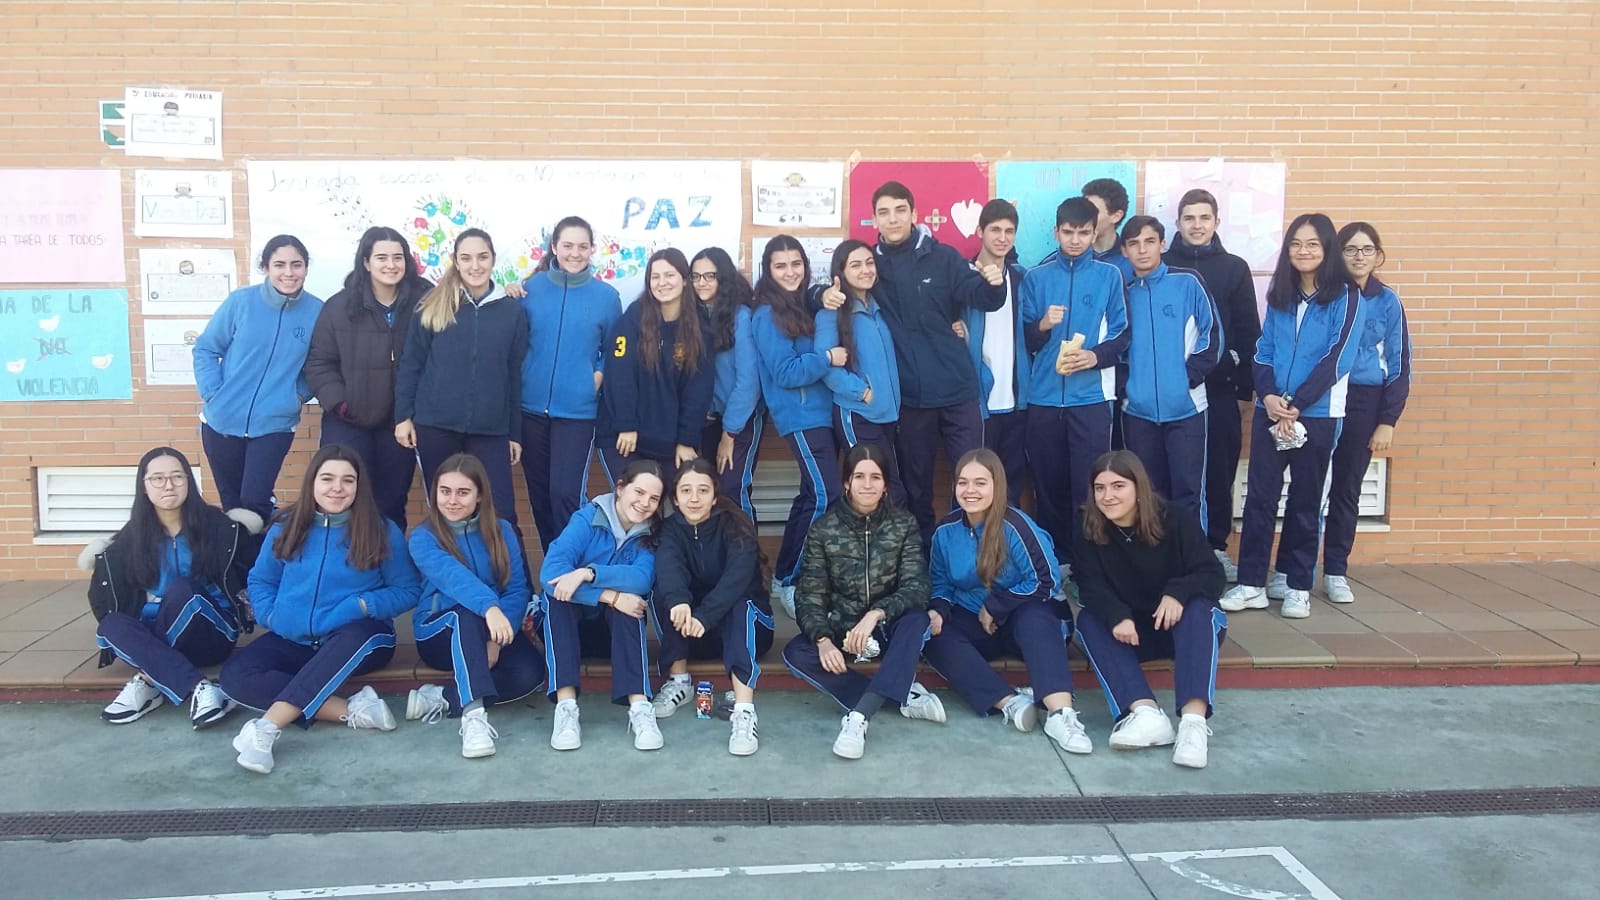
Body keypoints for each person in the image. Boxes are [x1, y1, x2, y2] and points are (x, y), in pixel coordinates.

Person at [221, 445, 421, 775]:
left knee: (356, 637)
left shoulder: (382, 529)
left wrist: (361, 605)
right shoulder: (285, 526)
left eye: (347, 480)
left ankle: (267, 728)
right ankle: (351, 710)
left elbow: (408, 589)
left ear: (359, 486)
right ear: (312, 482)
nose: (337, 488)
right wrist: (270, 615)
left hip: (360, 636)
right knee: (236, 676)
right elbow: (261, 579)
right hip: (294, 637)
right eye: (327, 478)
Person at [1221, 214, 1362, 619]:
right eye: (1296, 244)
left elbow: (1338, 358)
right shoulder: (1280, 295)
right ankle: (1252, 583)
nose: (1303, 251)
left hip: (1318, 414)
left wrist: (1297, 403)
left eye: (1313, 244)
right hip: (1271, 411)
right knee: (1259, 498)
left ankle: (1297, 585)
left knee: (1306, 500)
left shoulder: (1347, 296)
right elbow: (1263, 350)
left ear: (1327, 249)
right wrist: (1268, 396)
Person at [781, 443, 945, 760]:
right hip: (844, 633)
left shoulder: (903, 524)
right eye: (859, 476)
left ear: (886, 485)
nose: (867, 485)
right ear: (846, 482)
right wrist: (823, 639)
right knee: (796, 652)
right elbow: (809, 594)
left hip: (887, 630)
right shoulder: (824, 529)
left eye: (875, 477)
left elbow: (917, 586)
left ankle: (859, 716)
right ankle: (901, 694)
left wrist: (876, 614)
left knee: (917, 619)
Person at [868, 181, 1007, 546]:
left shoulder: (943, 257)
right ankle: (926, 557)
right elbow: (836, 283)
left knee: (974, 478)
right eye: (884, 212)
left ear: (914, 214)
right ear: (874, 220)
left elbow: (981, 296)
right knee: (917, 487)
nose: (893, 219)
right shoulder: (869, 265)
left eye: (900, 210)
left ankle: (973, 552)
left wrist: (994, 284)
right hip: (911, 399)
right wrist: (821, 294)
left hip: (958, 390)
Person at [81, 447, 262, 728]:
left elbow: (258, 574)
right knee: (111, 624)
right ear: (144, 486)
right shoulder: (128, 541)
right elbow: (102, 599)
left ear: (189, 481)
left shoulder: (221, 528)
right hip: (160, 630)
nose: (169, 485)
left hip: (210, 633)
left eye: (177, 476)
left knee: (182, 590)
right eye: (158, 478)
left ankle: (148, 679)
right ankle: (201, 688)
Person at [924, 449, 1090, 754]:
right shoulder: (945, 532)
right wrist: (939, 610)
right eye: (963, 482)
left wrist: (996, 605)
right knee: (932, 635)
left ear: (997, 485)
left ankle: (1061, 714)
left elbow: (1046, 581)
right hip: (976, 622)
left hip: (1028, 620)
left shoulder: (1015, 525)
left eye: (980, 483)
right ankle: (1010, 702)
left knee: (1034, 617)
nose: (970, 490)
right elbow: (941, 584)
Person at [1073, 450, 1228, 769]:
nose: (1108, 496)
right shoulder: (1087, 526)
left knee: (1199, 609)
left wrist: (1177, 593)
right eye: (1100, 488)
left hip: (1183, 628)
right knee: (1089, 620)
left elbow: (1212, 574)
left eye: (1118, 486)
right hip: (1131, 633)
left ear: (1138, 488)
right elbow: (1089, 586)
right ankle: (1145, 714)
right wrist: (1117, 615)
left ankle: (1193, 724)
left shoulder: (1174, 518)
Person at [405, 453, 544, 759]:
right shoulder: (423, 537)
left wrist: (495, 641)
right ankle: (473, 716)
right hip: (439, 632)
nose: (452, 500)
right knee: (464, 614)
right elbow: (455, 579)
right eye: (445, 491)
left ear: (479, 495)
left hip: (492, 628)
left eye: (463, 492)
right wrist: (490, 608)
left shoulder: (502, 530)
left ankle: (443, 697)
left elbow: (517, 588)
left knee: (529, 673)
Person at [393, 228, 528, 537]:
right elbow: (411, 364)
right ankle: (447, 569)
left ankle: (509, 572)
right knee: (447, 511)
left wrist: (514, 433)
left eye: (482, 257)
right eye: (466, 258)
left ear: (493, 259)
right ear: (455, 261)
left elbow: (513, 374)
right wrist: (403, 417)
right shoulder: (432, 304)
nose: (475, 266)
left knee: (502, 513)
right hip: (435, 426)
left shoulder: (511, 311)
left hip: (491, 430)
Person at [1020, 197, 1131, 570]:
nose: (1075, 240)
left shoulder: (1109, 276)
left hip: (1092, 399)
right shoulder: (1035, 277)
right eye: (1068, 232)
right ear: (1056, 232)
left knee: (1090, 486)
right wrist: (1042, 326)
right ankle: (1057, 564)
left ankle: (1089, 566)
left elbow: (1122, 334)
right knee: (1047, 486)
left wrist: (1094, 357)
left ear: (1095, 232)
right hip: (1044, 399)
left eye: (1083, 233)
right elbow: (1025, 340)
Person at [1162, 189, 1262, 581]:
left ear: (1217, 222)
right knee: (1169, 475)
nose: (1197, 225)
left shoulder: (1234, 268)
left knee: (1218, 472)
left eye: (1204, 218)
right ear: (1178, 223)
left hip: (1219, 391)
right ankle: (1169, 549)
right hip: (1168, 391)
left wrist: (1244, 390)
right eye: (1189, 218)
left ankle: (1216, 548)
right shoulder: (1162, 265)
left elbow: (1248, 332)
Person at [305, 226, 431, 529]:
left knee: (391, 502)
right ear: (366, 262)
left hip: (400, 423)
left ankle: (390, 558)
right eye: (382, 257)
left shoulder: (426, 301)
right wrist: (341, 404)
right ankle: (347, 558)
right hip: (349, 421)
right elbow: (319, 363)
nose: (391, 265)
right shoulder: (339, 306)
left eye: (398, 257)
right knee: (344, 501)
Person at [193, 235, 324, 520]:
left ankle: (266, 546)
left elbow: (321, 364)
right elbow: (206, 349)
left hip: (274, 424)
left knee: (255, 498)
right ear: (266, 267)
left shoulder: (317, 312)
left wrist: (297, 395)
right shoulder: (241, 302)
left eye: (296, 265)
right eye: (279, 265)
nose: (288, 273)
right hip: (221, 421)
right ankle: (244, 550)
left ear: (305, 268)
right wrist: (213, 393)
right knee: (232, 504)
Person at [538, 459, 667, 752]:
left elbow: (642, 579)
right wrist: (610, 596)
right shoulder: (587, 519)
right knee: (557, 600)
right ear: (620, 488)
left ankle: (640, 707)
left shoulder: (651, 533)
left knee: (631, 604)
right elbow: (550, 575)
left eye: (654, 498)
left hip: (613, 637)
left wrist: (589, 573)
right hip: (571, 631)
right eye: (639, 492)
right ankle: (566, 708)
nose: (644, 503)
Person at [649, 459, 775, 756]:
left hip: (748, 632)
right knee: (665, 592)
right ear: (675, 498)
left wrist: (704, 616)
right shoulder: (670, 530)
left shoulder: (736, 525)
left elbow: (736, 581)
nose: (694, 498)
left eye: (703, 490)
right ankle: (679, 681)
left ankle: (744, 711)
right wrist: (680, 601)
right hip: (694, 633)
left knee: (740, 604)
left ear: (715, 496)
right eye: (686, 491)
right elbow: (668, 567)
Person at [517, 216, 623, 552]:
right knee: (540, 495)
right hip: (530, 409)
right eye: (567, 245)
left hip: (578, 412)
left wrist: (598, 375)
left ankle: (573, 563)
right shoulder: (530, 289)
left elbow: (616, 349)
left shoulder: (606, 297)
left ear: (592, 249)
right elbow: (514, 339)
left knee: (565, 494)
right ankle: (554, 569)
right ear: (554, 247)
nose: (574, 253)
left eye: (582, 246)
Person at [1321, 222, 1412, 604]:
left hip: (1364, 401)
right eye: (1350, 249)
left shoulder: (1387, 301)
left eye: (1367, 249)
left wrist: (1387, 420)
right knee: (1308, 486)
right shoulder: (1326, 295)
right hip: (1322, 396)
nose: (1359, 256)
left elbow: (1399, 364)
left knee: (1346, 488)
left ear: (1378, 255)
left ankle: (1335, 571)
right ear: (1338, 254)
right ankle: (1293, 571)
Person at [750, 236, 842, 614]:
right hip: (800, 416)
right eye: (780, 266)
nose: (790, 272)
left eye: (796, 264)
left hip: (824, 414)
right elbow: (785, 372)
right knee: (826, 494)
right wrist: (828, 358)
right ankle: (791, 579)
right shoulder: (765, 314)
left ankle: (784, 573)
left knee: (810, 495)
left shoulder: (805, 303)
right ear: (768, 270)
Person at [1119, 215, 1223, 525]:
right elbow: (1115, 346)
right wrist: (1127, 387)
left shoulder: (1188, 282)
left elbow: (1213, 334)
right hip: (1137, 413)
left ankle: (1192, 554)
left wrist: (1187, 378)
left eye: (1150, 241)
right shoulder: (1124, 293)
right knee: (1148, 495)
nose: (1142, 250)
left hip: (1186, 409)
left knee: (1189, 493)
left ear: (1163, 244)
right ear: (1124, 251)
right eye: (1134, 244)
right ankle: (1154, 555)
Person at [595, 249, 714, 480]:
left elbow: (698, 390)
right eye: (655, 277)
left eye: (669, 275)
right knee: (634, 498)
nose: (662, 283)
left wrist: (686, 440)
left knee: (673, 499)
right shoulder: (633, 318)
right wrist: (626, 424)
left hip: (671, 441)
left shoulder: (700, 327)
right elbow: (620, 376)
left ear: (685, 280)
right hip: (624, 437)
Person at [815, 239, 904, 505]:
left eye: (869, 263)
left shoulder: (879, 308)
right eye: (855, 265)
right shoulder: (831, 314)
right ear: (841, 272)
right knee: (878, 491)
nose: (865, 270)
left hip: (888, 416)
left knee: (887, 491)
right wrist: (862, 392)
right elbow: (825, 366)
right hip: (858, 414)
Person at [959, 200, 1031, 505]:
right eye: (995, 230)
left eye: (1009, 231)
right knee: (974, 481)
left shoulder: (1021, 277)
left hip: (1016, 400)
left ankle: (1008, 534)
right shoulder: (963, 276)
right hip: (977, 401)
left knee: (1012, 483)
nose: (1002, 237)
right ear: (980, 231)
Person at [691, 247, 764, 518]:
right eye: (695, 276)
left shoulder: (741, 316)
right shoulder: (692, 316)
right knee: (710, 492)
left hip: (741, 419)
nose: (701, 283)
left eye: (710, 276)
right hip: (708, 419)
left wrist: (729, 434)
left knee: (732, 489)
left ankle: (747, 547)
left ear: (723, 277)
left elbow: (748, 381)